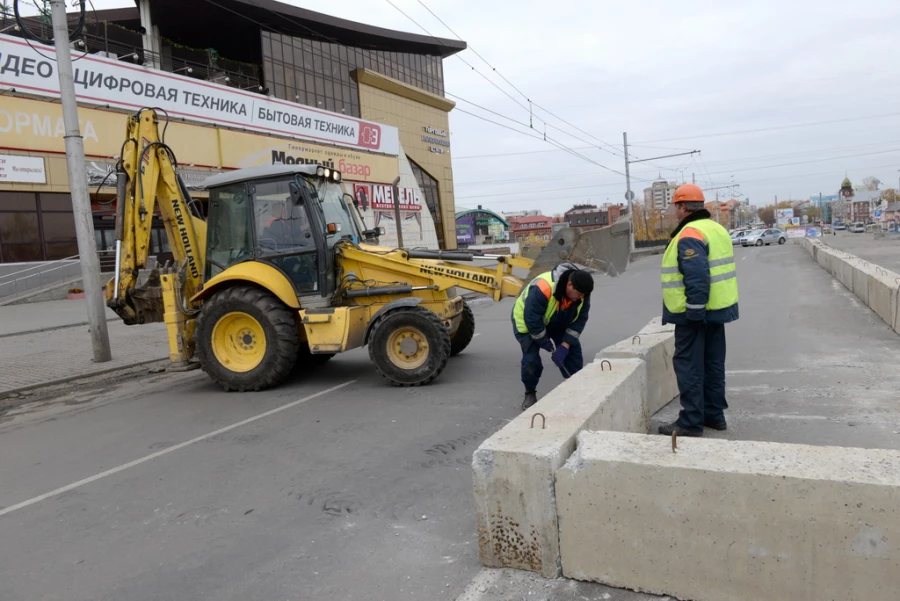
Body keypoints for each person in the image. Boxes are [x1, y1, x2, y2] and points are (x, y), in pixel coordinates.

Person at [658, 184, 739, 437]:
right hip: (718, 309)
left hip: (695, 313)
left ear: (683, 207)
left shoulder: (689, 233)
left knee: (689, 365)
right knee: (713, 362)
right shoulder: (717, 229)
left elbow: (697, 275)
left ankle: (691, 421)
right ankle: (714, 415)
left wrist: (693, 312)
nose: (675, 212)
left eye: (676, 207)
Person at [512, 262, 594, 410]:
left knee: (573, 354)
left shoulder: (583, 294)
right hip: (527, 322)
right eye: (579, 294)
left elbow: (579, 322)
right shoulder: (543, 288)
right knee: (531, 361)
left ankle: (575, 390)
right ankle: (530, 392)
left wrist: (565, 345)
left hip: (557, 320)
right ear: (569, 285)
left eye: (584, 295)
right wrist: (546, 343)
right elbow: (532, 319)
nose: (581, 298)